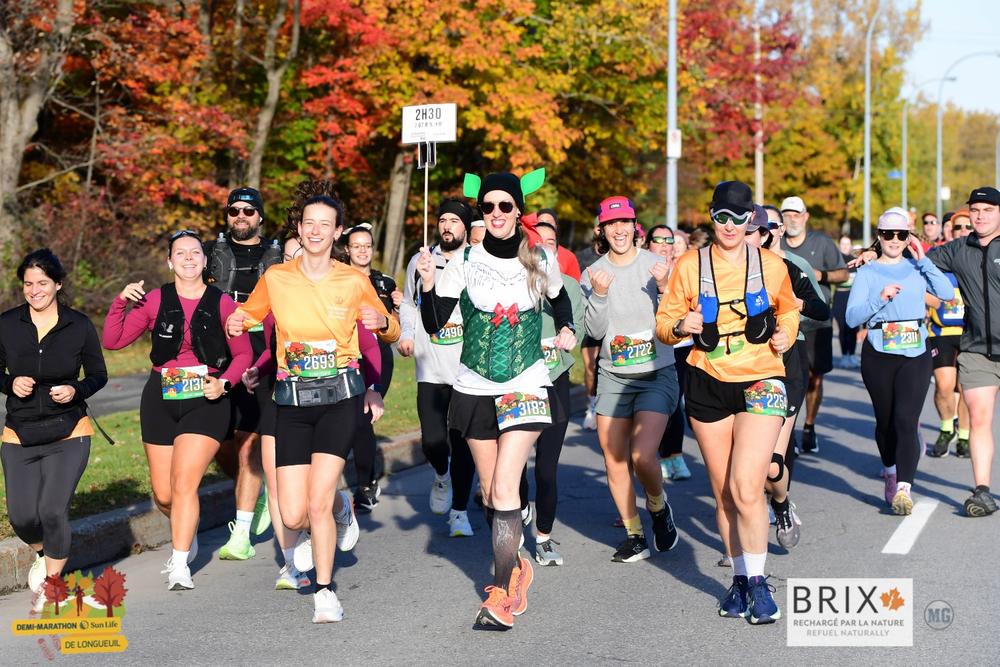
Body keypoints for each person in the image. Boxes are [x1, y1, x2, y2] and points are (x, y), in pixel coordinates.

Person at [227, 192, 397, 622]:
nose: (316, 230)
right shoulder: (278, 278)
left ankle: (325, 591)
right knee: (292, 511)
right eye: (309, 223)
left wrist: (385, 324)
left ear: (337, 232)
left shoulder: (352, 280)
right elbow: (248, 316)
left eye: (325, 223)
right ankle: (344, 507)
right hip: (292, 402)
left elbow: (389, 331)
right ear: (299, 229)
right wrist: (235, 322)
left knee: (315, 504)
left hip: (339, 397)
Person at [418, 169, 576, 629]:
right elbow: (434, 323)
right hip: (472, 388)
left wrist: (565, 329)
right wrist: (428, 282)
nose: (497, 214)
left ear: (517, 210)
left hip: (526, 383)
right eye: (488, 207)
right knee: (491, 494)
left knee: (506, 488)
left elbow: (561, 301)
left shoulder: (538, 257)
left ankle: (502, 594)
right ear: (480, 212)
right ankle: (519, 564)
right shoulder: (462, 261)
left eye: (505, 206)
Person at [657, 181, 799, 625]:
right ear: (712, 217)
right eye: (723, 217)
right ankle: (738, 580)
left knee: (745, 485)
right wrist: (683, 325)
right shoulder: (689, 264)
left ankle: (758, 584)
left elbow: (790, 309)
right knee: (723, 494)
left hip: (762, 376)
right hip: (707, 379)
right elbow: (663, 323)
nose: (731, 227)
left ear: (752, 221)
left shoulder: (771, 264)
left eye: (741, 219)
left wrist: (785, 334)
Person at [103, 230, 253, 590]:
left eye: (195, 253)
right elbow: (113, 340)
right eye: (180, 253)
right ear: (170, 262)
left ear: (205, 261)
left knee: (185, 483)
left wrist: (224, 384)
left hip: (207, 397)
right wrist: (121, 302)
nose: (188, 258)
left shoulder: (223, 304)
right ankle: (187, 529)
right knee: (165, 494)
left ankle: (180, 562)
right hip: (160, 397)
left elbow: (244, 354)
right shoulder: (155, 300)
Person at [1, 249, 108, 599]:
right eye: (28, 284)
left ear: (58, 284)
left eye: (42, 283)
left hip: (69, 431)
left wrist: (75, 389)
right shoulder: (7, 324)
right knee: (21, 517)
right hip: (21, 431)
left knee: (51, 509)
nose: (35, 290)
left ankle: (53, 581)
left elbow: (98, 375)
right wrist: (9, 383)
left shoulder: (78, 325)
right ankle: (43, 552)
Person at [582, 197, 680, 564]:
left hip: (656, 373)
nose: (619, 230)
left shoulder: (657, 265)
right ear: (602, 230)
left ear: (635, 226)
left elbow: (675, 318)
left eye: (625, 222)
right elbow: (593, 331)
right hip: (612, 376)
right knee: (614, 459)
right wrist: (601, 294)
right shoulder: (592, 273)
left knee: (642, 455)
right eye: (612, 223)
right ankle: (634, 534)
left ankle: (658, 505)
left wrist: (666, 285)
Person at [846, 208, 953, 514]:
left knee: (906, 420)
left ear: (909, 237)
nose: (894, 240)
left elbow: (945, 293)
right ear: (879, 237)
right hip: (878, 353)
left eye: (901, 234)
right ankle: (890, 470)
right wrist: (879, 298)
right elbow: (852, 317)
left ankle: (904, 488)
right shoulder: (867, 272)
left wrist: (924, 260)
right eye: (888, 234)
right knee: (885, 423)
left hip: (915, 352)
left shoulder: (918, 267)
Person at [204, 187, 282, 562]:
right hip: (219, 354)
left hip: (262, 354)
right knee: (223, 442)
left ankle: (242, 532)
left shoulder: (279, 257)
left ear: (260, 217)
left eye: (249, 211)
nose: (241, 216)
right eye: (234, 210)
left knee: (251, 442)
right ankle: (256, 491)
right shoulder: (208, 253)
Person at [398, 199, 477, 536]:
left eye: (454, 221)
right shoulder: (421, 260)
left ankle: (459, 511)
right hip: (430, 365)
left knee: (463, 442)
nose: (447, 225)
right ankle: (441, 476)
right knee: (432, 440)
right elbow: (407, 303)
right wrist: (406, 333)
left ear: (466, 227)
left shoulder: (477, 261)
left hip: (466, 368)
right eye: (442, 219)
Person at [925, 187, 1000, 516]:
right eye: (976, 209)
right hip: (976, 349)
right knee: (980, 420)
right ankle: (982, 492)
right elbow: (917, 264)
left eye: (988, 209)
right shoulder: (957, 249)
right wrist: (875, 255)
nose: (981, 215)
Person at [758, 207, 829, 548]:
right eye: (757, 226)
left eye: (770, 226)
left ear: (778, 230)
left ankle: (782, 504)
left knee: (771, 463)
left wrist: (794, 310)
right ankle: (741, 542)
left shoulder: (792, 267)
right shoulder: (727, 268)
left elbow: (821, 309)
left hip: (788, 357)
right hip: (741, 365)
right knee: (742, 462)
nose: (763, 232)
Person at [517, 218, 585, 565]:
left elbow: (582, 331)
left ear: (559, 250)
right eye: (536, 242)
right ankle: (516, 519)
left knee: (545, 468)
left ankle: (543, 537)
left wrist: (569, 335)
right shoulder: (515, 281)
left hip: (555, 378)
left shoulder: (570, 287)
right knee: (514, 468)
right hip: (520, 383)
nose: (542, 248)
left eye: (550, 242)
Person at [779, 195, 848, 455]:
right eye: (787, 215)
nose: (791, 219)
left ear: (806, 216)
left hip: (816, 321)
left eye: (796, 215)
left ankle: (809, 426)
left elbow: (843, 273)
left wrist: (821, 275)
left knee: (814, 380)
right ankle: (788, 433)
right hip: (787, 323)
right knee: (788, 379)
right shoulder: (777, 242)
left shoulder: (821, 243)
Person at [341, 222, 402, 510]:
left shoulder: (385, 283)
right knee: (348, 418)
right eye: (356, 246)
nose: (362, 250)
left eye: (367, 245)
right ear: (347, 250)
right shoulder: (336, 278)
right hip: (346, 354)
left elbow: (396, 326)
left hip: (377, 354)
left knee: (362, 416)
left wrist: (399, 308)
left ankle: (365, 485)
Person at [643, 224, 692, 481]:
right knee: (655, 406)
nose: (664, 245)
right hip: (648, 347)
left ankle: (675, 455)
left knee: (675, 404)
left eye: (669, 240)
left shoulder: (683, 271)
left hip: (680, 346)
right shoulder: (640, 270)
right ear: (647, 243)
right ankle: (657, 456)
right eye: (658, 239)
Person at [927, 208, 973, 458]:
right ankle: (947, 427)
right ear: (950, 230)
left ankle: (964, 436)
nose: (963, 231)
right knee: (944, 387)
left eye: (968, 227)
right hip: (941, 331)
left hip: (970, 332)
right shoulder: (939, 255)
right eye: (958, 228)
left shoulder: (979, 256)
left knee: (966, 388)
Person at [831, 235, 860, 368]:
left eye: (847, 244)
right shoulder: (835, 261)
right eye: (842, 244)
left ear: (851, 245)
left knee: (853, 327)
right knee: (843, 327)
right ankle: (844, 356)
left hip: (853, 296)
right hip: (840, 296)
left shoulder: (856, 261)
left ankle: (852, 355)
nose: (844, 246)